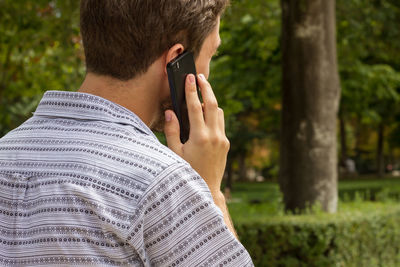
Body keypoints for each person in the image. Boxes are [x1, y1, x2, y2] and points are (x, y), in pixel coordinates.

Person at [0, 0, 254, 266]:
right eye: (211, 54)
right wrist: (210, 192)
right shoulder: (162, 182)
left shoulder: (5, 153)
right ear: (177, 58)